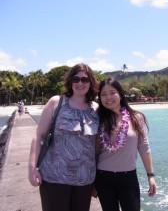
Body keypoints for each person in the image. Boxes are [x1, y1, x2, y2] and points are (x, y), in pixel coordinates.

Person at [28, 63, 99, 211]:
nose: (80, 83)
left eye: (85, 79)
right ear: (70, 81)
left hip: (84, 180)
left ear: (90, 82)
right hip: (54, 177)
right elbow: (38, 136)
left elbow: (98, 146)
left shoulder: (96, 109)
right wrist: (32, 168)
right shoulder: (56, 102)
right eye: (76, 79)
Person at [95, 77, 157, 211]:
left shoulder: (136, 118)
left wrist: (150, 176)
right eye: (103, 94)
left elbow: (144, 148)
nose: (108, 97)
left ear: (120, 95)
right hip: (103, 177)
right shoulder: (98, 118)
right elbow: (93, 151)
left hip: (128, 177)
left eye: (112, 92)